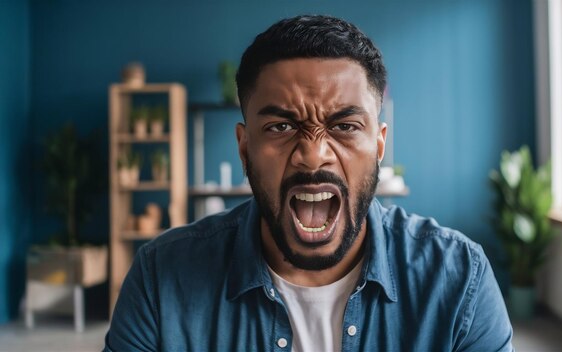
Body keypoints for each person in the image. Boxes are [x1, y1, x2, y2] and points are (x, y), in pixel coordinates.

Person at [105, 15, 513, 351]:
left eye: (345, 125)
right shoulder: (161, 279)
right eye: (281, 126)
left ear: (379, 145)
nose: (313, 154)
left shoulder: (459, 280)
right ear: (244, 149)